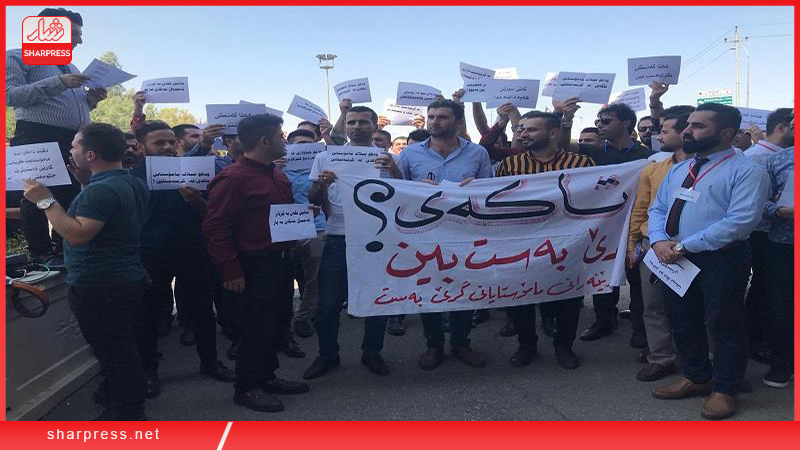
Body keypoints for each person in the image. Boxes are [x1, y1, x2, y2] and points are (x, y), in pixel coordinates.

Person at [648, 103, 770, 420]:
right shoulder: (679, 169)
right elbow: (658, 208)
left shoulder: (747, 171)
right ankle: (697, 376)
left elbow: (740, 222)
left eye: (698, 126)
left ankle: (725, 389)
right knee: (683, 319)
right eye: (688, 124)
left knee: (724, 323)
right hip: (674, 257)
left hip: (721, 258)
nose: (687, 131)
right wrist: (659, 241)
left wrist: (683, 246)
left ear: (726, 133)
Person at [23, 123, 149, 420]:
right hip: (124, 277)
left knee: (115, 353)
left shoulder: (102, 190)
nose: (70, 150)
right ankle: (118, 397)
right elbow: (104, 220)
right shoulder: (129, 182)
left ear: (90, 154)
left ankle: (128, 414)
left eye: (75, 146)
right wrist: (84, 184)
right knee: (120, 346)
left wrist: (44, 200)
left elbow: (78, 234)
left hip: (101, 284)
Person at [203, 114, 309, 413]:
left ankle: (266, 376)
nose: (284, 141)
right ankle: (247, 388)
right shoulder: (233, 178)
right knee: (255, 328)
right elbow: (215, 227)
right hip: (252, 265)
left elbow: (275, 215)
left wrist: (303, 215)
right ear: (264, 141)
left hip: (280, 262)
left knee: (276, 324)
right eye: (280, 136)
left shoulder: (277, 174)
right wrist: (230, 270)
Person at [132, 121, 236, 399]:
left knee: (203, 311)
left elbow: (210, 214)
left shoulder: (192, 171)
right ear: (141, 146)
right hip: (151, 255)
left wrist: (194, 201)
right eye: (159, 143)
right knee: (149, 315)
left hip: (193, 251)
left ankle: (210, 362)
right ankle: (149, 371)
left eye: (170, 141)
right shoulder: (133, 179)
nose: (167, 147)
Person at [7, 7, 108, 266]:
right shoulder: (16, 56)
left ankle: (65, 251)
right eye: (73, 33)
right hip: (36, 134)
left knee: (72, 191)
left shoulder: (70, 65)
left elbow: (64, 106)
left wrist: (90, 101)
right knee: (36, 193)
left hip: (74, 138)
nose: (79, 41)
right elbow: (10, 95)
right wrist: (60, 82)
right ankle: (40, 254)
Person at [397, 99, 492, 370]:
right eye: (431, 117)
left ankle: (461, 343)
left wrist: (476, 186)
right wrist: (416, 188)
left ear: (458, 121)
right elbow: (396, 191)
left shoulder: (478, 153)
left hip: (465, 232)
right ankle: (434, 344)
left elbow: (489, 191)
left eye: (442, 117)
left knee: (464, 287)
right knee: (428, 288)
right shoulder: (410, 154)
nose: (434, 122)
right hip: (423, 233)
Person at [495, 111, 595, 369]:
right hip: (522, 243)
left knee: (568, 297)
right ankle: (526, 345)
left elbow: (596, 199)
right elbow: (493, 200)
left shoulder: (582, 164)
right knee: (521, 296)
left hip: (568, 242)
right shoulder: (509, 165)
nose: (522, 134)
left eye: (530, 129)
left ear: (552, 133)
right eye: (520, 129)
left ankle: (564, 346)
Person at [303, 106, 393, 379]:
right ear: (345, 126)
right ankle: (327, 355)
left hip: (376, 237)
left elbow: (404, 194)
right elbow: (312, 197)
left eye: (363, 122)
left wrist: (395, 169)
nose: (356, 127)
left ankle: (372, 352)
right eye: (351, 122)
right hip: (337, 237)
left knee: (376, 300)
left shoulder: (386, 158)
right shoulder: (325, 157)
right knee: (328, 304)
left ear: (374, 126)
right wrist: (321, 183)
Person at [626, 105, 695, 381]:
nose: (659, 136)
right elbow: (641, 209)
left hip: (697, 248)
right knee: (654, 306)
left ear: (686, 132)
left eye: (665, 131)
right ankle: (661, 358)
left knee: (702, 307)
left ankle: (706, 360)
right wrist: (633, 246)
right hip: (654, 247)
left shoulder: (713, 169)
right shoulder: (652, 170)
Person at [577, 103, 653, 344]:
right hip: (603, 227)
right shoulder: (594, 154)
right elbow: (559, 144)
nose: (600, 125)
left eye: (606, 121)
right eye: (598, 121)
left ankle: (641, 329)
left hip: (635, 227)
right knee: (603, 275)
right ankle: (604, 321)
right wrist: (565, 117)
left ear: (626, 123)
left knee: (637, 280)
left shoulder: (647, 157)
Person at [741, 107, 793, 359]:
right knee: (770, 291)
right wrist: (780, 211)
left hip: (773, 234)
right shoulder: (768, 159)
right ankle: (762, 343)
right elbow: (757, 200)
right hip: (771, 236)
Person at [283, 129, 327, 339]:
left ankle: (303, 317)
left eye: (311, 144)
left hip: (316, 228)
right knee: (285, 279)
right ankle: (282, 321)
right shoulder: (276, 169)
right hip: (284, 230)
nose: (307, 148)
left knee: (314, 279)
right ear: (289, 146)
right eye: (301, 144)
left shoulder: (321, 170)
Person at [761, 141, 794, 388]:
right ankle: (783, 362)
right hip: (784, 244)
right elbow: (758, 200)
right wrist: (779, 211)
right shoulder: (778, 159)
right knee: (782, 306)